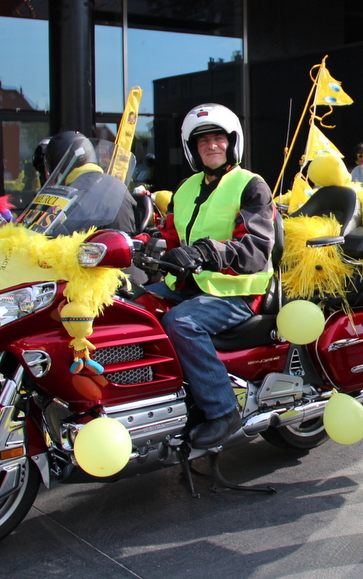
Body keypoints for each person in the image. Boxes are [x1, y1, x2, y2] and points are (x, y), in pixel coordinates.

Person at [144, 103, 275, 449]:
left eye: (218, 138)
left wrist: (204, 253)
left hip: (236, 291)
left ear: (232, 142)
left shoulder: (251, 186)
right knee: (130, 308)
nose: (211, 145)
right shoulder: (185, 189)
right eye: (203, 140)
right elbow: (170, 237)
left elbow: (255, 248)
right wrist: (141, 244)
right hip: (188, 285)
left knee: (181, 323)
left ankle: (222, 410)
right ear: (193, 148)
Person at [41, 131, 137, 235]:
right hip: (124, 242)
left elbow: (56, 234)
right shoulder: (117, 185)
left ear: (57, 162)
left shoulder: (71, 192)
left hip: (93, 245)